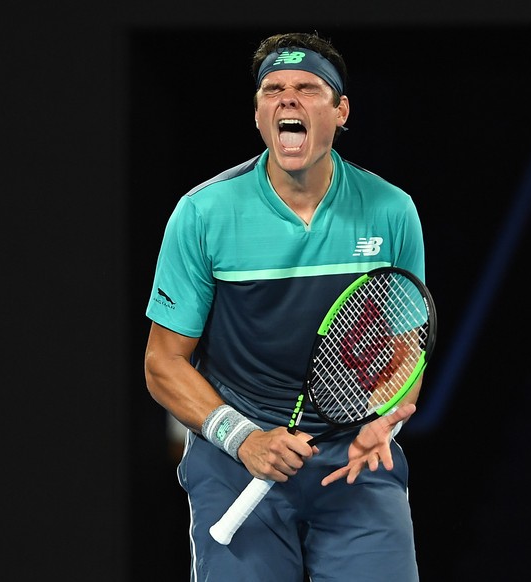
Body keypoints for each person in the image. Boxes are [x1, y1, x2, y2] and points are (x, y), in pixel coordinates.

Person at [144, 31, 425, 582]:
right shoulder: (202, 214)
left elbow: (404, 348)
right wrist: (244, 439)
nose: (287, 99)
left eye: (307, 88)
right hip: (234, 459)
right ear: (258, 114)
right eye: (272, 90)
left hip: (351, 460)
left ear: (341, 111)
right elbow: (163, 363)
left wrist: (383, 425)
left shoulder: (393, 211)